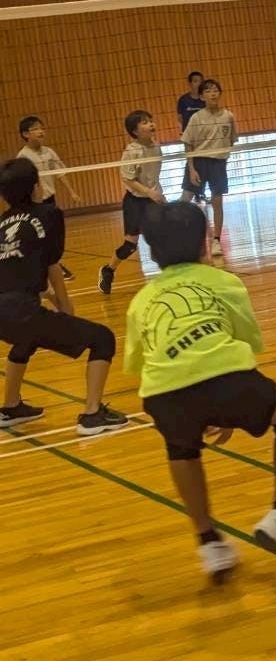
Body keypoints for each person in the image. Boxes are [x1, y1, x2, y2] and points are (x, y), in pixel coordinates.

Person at [124, 202, 276, 581]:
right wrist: (226, 404)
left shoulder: (140, 301)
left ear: (153, 252)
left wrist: (205, 404)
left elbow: (138, 363)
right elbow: (244, 344)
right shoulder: (224, 282)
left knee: (181, 447)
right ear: (203, 244)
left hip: (161, 392)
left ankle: (209, 542)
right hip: (225, 377)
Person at [0, 158, 128, 434]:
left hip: (8, 310)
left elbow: (12, 269)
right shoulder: (48, 214)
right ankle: (92, 415)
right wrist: (64, 306)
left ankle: (10, 407)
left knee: (26, 338)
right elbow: (52, 264)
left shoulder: (1, 223)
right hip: (21, 309)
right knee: (102, 338)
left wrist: (42, 294)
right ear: (36, 186)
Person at [98, 110, 165, 295]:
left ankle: (169, 276)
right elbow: (128, 179)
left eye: (150, 121)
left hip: (152, 199)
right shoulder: (131, 151)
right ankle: (108, 270)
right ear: (135, 131)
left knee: (161, 238)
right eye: (144, 122)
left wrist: (157, 193)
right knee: (129, 246)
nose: (150, 124)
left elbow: (152, 176)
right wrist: (149, 192)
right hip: (135, 201)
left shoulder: (156, 147)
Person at [17, 116, 79, 281]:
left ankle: (52, 265)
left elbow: (60, 173)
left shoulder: (49, 152)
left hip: (50, 200)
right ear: (25, 134)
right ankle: (48, 267)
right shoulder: (23, 157)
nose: (41, 131)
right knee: (41, 236)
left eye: (42, 128)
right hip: (34, 203)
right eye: (35, 129)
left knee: (53, 234)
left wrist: (72, 192)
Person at [181, 79, 237, 258]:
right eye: (208, 91)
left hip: (218, 164)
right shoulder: (196, 118)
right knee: (185, 200)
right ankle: (177, 236)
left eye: (215, 90)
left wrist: (222, 159)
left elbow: (231, 140)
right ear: (202, 96)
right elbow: (188, 144)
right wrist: (191, 169)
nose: (212, 93)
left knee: (217, 202)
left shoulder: (228, 116)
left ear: (219, 94)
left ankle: (216, 241)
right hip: (198, 162)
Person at [177, 71, 206, 203]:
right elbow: (180, 118)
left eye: (200, 81)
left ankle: (199, 192)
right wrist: (184, 132)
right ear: (190, 83)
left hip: (204, 139)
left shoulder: (204, 100)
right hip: (190, 138)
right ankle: (193, 191)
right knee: (192, 162)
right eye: (195, 81)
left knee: (203, 163)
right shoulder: (183, 100)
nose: (198, 84)